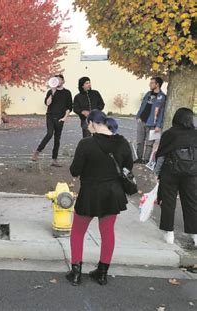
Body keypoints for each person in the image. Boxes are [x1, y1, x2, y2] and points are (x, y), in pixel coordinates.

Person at [66, 110, 133, 286]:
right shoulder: (123, 142)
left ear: (93, 123)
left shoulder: (86, 144)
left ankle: (75, 273)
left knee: (78, 232)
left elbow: (75, 170)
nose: (88, 128)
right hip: (113, 194)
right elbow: (128, 168)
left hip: (89, 193)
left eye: (88, 124)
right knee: (108, 232)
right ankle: (102, 273)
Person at [154, 108, 197, 246]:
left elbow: (161, 155)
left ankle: (169, 233)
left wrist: (156, 173)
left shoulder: (169, 134)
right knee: (191, 203)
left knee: (168, 202)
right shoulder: (195, 134)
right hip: (191, 173)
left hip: (170, 172)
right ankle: (194, 234)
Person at [31, 74, 72, 166]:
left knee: (57, 139)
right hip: (50, 116)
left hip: (60, 118)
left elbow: (69, 107)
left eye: (59, 80)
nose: (57, 81)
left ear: (63, 81)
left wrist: (65, 118)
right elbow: (47, 103)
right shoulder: (50, 91)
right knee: (49, 133)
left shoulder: (67, 93)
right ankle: (37, 151)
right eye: (55, 80)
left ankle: (54, 160)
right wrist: (52, 93)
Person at [134, 77, 166, 164]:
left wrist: (159, 126)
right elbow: (142, 105)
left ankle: (146, 160)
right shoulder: (148, 94)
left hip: (153, 124)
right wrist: (138, 116)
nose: (150, 84)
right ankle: (139, 158)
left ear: (157, 85)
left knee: (149, 144)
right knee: (140, 141)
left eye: (152, 83)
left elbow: (162, 112)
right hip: (142, 121)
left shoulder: (162, 97)